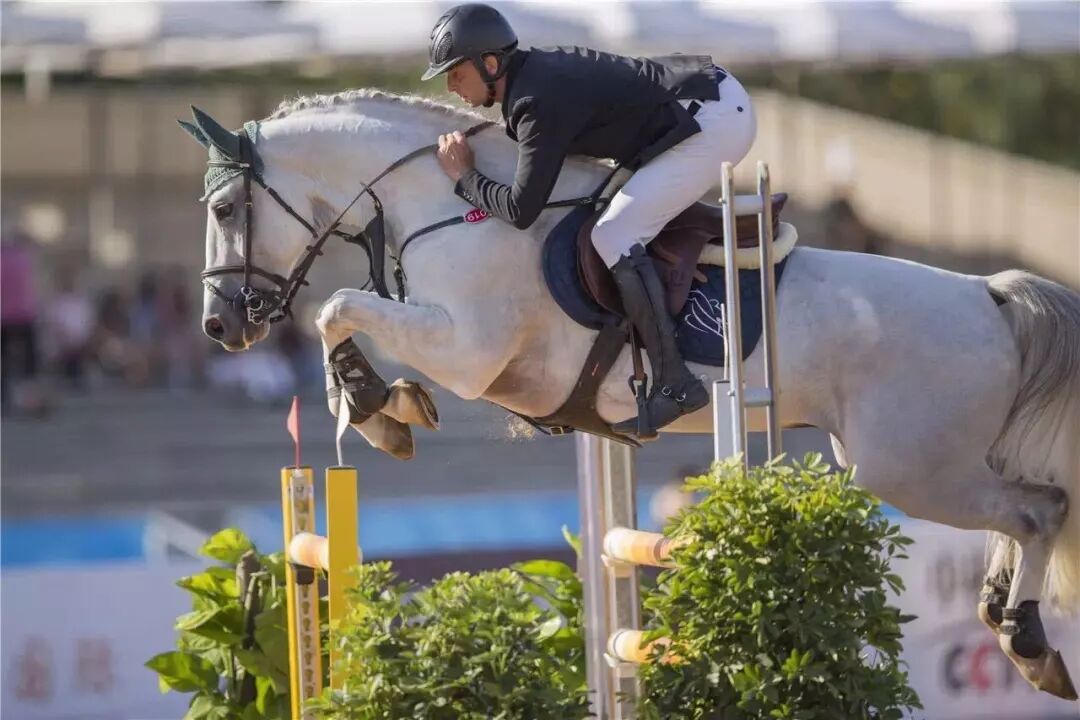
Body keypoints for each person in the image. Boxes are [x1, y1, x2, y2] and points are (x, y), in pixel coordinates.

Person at [423, 3, 757, 436]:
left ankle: (676, 382)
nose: (451, 86)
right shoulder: (530, 84)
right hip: (699, 105)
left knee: (614, 233)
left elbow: (522, 212)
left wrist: (464, 177)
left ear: (490, 63)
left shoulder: (535, 99)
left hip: (711, 122)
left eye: (455, 73)